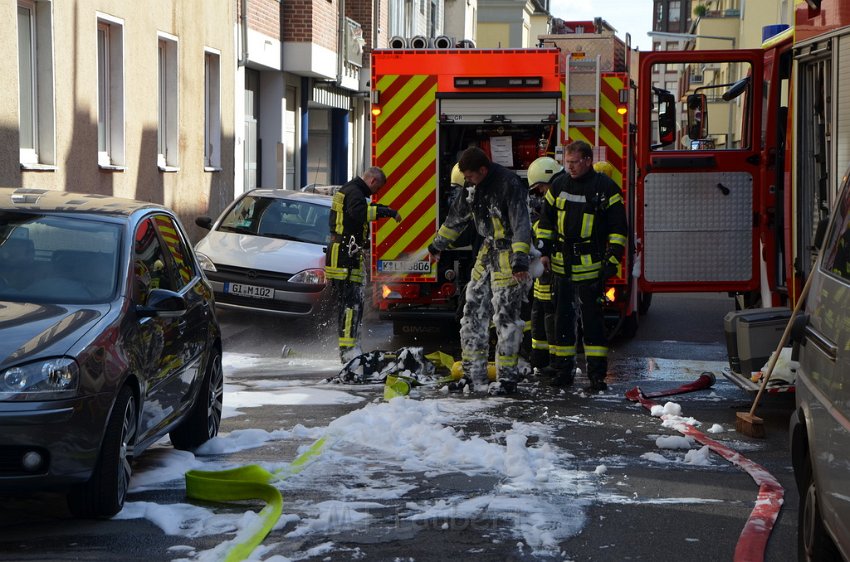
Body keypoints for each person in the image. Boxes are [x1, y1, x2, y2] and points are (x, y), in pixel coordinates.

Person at [427, 147, 533, 395]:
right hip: (486, 254)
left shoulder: (509, 184)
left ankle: (507, 380)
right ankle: (471, 375)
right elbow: (456, 219)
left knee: (505, 319)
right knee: (472, 313)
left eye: (471, 177)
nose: (468, 182)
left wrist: (520, 261)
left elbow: (521, 224)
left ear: (483, 170)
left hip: (508, 256)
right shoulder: (472, 186)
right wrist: (436, 245)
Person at [531, 144, 627, 393]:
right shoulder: (559, 185)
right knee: (563, 321)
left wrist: (612, 261)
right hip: (561, 266)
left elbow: (618, 230)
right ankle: (564, 372)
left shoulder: (605, 188)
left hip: (591, 267)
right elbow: (546, 222)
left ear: (587, 160)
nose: (569, 166)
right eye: (567, 161)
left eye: (574, 161)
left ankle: (597, 376)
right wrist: (543, 252)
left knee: (593, 323)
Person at [325, 167, 402, 362]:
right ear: (373, 181)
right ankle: (348, 350)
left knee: (350, 303)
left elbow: (351, 221)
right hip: (344, 257)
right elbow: (358, 212)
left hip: (343, 254)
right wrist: (386, 211)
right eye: (377, 189)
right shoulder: (355, 193)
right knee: (351, 304)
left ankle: (349, 347)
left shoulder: (349, 190)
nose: (375, 194)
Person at [526, 158, 560, 372]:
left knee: (550, 317)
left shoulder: (556, 200)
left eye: (540, 188)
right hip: (543, 279)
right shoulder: (552, 200)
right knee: (539, 316)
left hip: (552, 273)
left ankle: (554, 362)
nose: (539, 194)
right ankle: (540, 360)